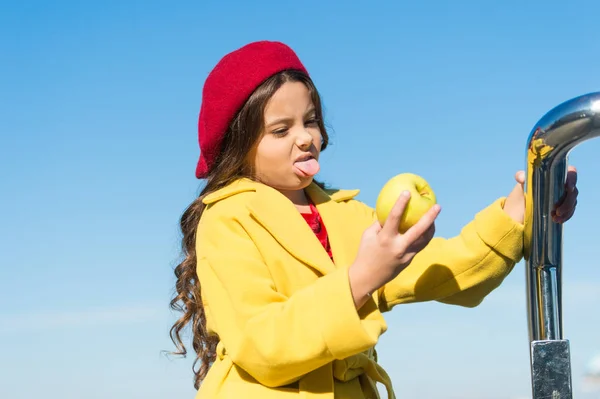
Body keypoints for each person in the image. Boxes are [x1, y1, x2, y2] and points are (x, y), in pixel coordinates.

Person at [169, 41, 579, 399]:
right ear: (238, 146)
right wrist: (361, 278)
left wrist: (519, 211)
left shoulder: (347, 215)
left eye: (309, 120)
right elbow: (263, 344)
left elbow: (449, 269)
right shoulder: (227, 218)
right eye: (280, 129)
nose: (305, 137)